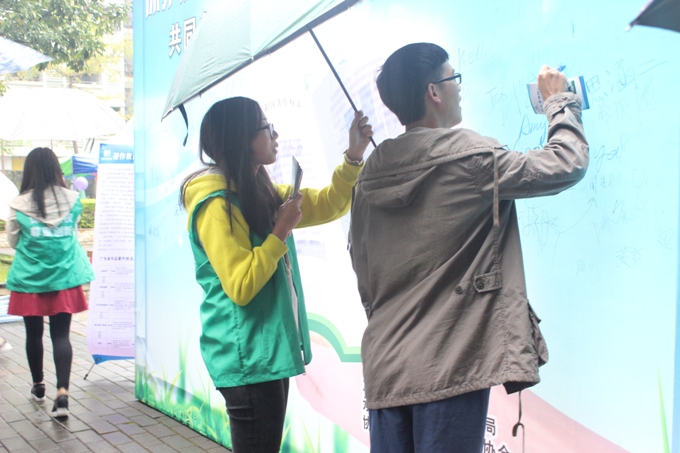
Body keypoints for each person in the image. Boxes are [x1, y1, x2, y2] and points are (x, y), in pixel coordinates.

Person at [348, 43, 588, 452]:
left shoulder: (368, 178)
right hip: (448, 364)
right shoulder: (469, 160)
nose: (459, 88)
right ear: (433, 92)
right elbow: (565, 163)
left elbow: (363, 269)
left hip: (386, 366)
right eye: (453, 78)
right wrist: (558, 101)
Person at [180, 96, 372, 453]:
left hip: (264, 351)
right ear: (241, 139)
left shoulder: (258, 192)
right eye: (265, 127)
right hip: (246, 355)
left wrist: (353, 156)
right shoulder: (215, 204)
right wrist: (279, 231)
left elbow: (331, 203)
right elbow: (240, 285)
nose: (275, 134)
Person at [6, 147, 95, 418]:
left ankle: (38, 385)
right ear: (56, 169)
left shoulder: (18, 204)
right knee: (61, 335)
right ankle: (63, 392)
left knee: (33, 334)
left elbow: (13, 240)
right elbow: (71, 232)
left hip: (30, 279)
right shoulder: (73, 200)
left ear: (29, 170)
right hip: (64, 276)